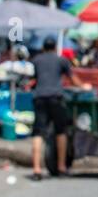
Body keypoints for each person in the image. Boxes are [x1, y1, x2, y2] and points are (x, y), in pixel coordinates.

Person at [30, 36, 73, 181]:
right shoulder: (61, 60)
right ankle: (61, 167)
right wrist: (84, 86)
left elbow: (35, 78)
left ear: (43, 47)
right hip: (56, 98)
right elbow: (72, 78)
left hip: (39, 98)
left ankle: (36, 169)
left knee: (38, 133)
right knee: (61, 131)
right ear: (55, 47)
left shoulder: (36, 60)